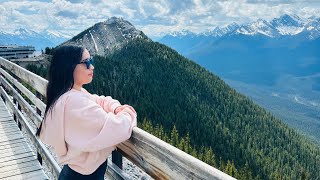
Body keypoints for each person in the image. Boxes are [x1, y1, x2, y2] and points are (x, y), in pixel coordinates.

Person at [36, 45, 137, 179]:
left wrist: (115, 108)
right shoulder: (74, 102)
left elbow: (97, 100)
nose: (92, 66)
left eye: (92, 61)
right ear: (70, 67)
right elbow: (119, 127)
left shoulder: (69, 93)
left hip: (74, 172)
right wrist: (127, 112)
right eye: (87, 62)